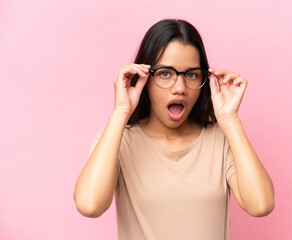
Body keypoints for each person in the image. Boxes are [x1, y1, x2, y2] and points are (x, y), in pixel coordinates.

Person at [74, 18, 275, 240]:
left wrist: (229, 119)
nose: (180, 88)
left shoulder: (221, 140)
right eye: (165, 73)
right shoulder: (118, 140)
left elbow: (261, 205)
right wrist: (121, 113)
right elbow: (89, 205)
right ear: (144, 78)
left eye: (191, 75)